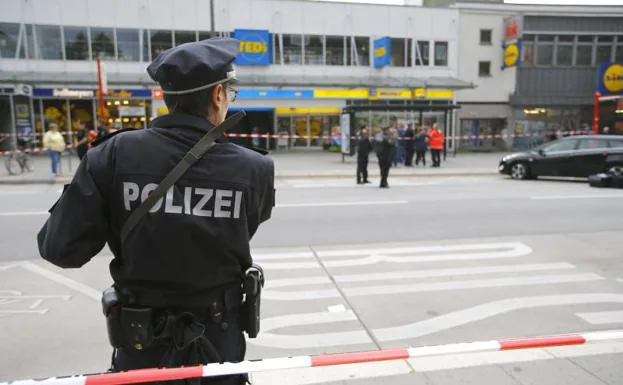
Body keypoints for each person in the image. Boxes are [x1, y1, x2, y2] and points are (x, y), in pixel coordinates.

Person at [37, 38, 275, 385]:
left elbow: (61, 249)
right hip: (218, 348)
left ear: (166, 97)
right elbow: (243, 226)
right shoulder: (254, 168)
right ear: (218, 95)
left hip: (141, 346)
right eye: (229, 94)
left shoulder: (113, 155)